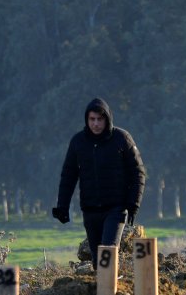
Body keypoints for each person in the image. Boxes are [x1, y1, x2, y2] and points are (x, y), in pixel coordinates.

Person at [53, 97, 146, 269]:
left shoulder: (122, 139)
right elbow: (68, 176)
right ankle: (102, 292)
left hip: (116, 208)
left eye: (100, 119)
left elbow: (138, 173)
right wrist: (62, 206)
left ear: (107, 118)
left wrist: (133, 204)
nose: (96, 124)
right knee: (98, 262)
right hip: (90, 210)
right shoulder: (78, 142)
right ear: (87, 120)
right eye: (92, 119)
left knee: (108, 253)